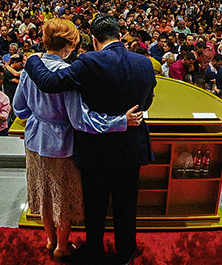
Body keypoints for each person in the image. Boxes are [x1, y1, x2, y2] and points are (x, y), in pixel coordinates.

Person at [23, 15, 156, 265]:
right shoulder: (144, 63)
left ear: (94, 40)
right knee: (126, 203)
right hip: (130, 144)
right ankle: (126, 252)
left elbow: (50, 82)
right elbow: (147, 100)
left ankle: (95, 250)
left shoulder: (88, 61)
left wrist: (31, 60)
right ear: (120, 35)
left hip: (96, 148)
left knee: (95, 205)